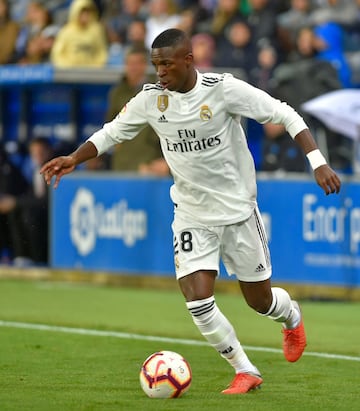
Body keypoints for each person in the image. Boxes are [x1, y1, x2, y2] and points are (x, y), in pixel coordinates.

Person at [40, 28, 341, 394]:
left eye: (166, 64)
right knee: (197, 298)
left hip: (237, 211)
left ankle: (290, 316)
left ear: (188, 60)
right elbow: (112, 133)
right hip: (191, 213)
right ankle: (245, 369)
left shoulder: (223, 89)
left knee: (259, 301)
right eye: (155, 65)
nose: (160, 72)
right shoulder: (151, 100)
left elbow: (287, 114)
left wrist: (318, 162)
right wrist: (74, 157)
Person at [105, 46, 168, 175]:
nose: (132, 68)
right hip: (122, 161)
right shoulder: (117, 93)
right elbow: (110, 124)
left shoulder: (158, 91)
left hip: (149, 160)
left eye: (136, 63)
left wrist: (164, 161)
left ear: (144, 65)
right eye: (129, 64)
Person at [0, 137, 53, 266]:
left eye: (41, 152)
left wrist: (16, 202)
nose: (37, 155)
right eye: (34, 152)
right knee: (15, 212)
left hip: (51, 214)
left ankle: (38, 259)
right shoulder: (34, 171)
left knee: (29, 214)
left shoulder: (54, 170)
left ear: (49, 152)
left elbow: (48, 200)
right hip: (38, 210)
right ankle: (21, 256)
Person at [50, 0, 108, 68]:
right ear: (76, 12)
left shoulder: (96, 30)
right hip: (70, 72)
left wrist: (96, 66)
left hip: (91, 72)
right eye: (82, 12)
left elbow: (102, 52)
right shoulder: (66, 31)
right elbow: (57, 54)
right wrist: (67, 66)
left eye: (88, 12)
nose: (85, 16)